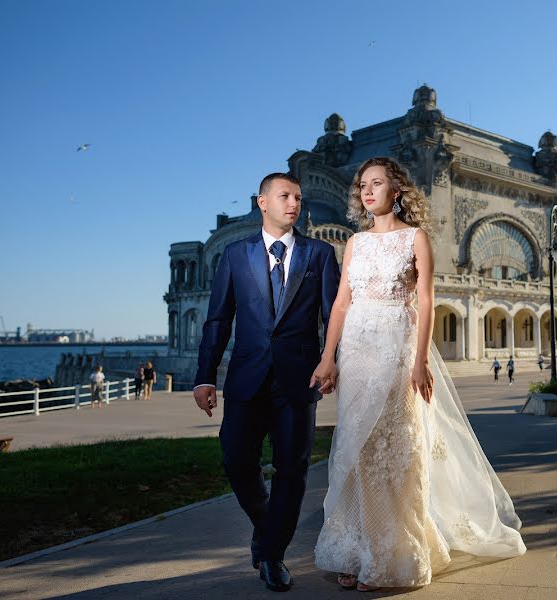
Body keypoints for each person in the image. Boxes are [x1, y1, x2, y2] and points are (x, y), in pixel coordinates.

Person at [314, 157, 525, 592]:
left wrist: (420, 361)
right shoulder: (354, 243)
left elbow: (426, 302)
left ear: (397, 190)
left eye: (377, 183)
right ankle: (355, 550)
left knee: (396, 454)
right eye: (362, 185)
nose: (367, 191)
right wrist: (327, 357)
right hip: (356, 352)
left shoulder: (416, 238)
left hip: (397, 349)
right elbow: (340, 304)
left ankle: (394, 553)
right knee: (354, 452)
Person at [193, 172, 340, 593]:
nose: (293, 203)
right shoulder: (236, 256)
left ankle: (273, 555)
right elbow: (218, 319)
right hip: (246, 378)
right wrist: (205, 377)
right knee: (236, 461)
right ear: (262, 202)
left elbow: (332, 316)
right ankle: (267, 527)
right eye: (284, 196)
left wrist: (332, 361)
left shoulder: (320, 254)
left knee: (292, 472)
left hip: (298, 381)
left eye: (297, 196)